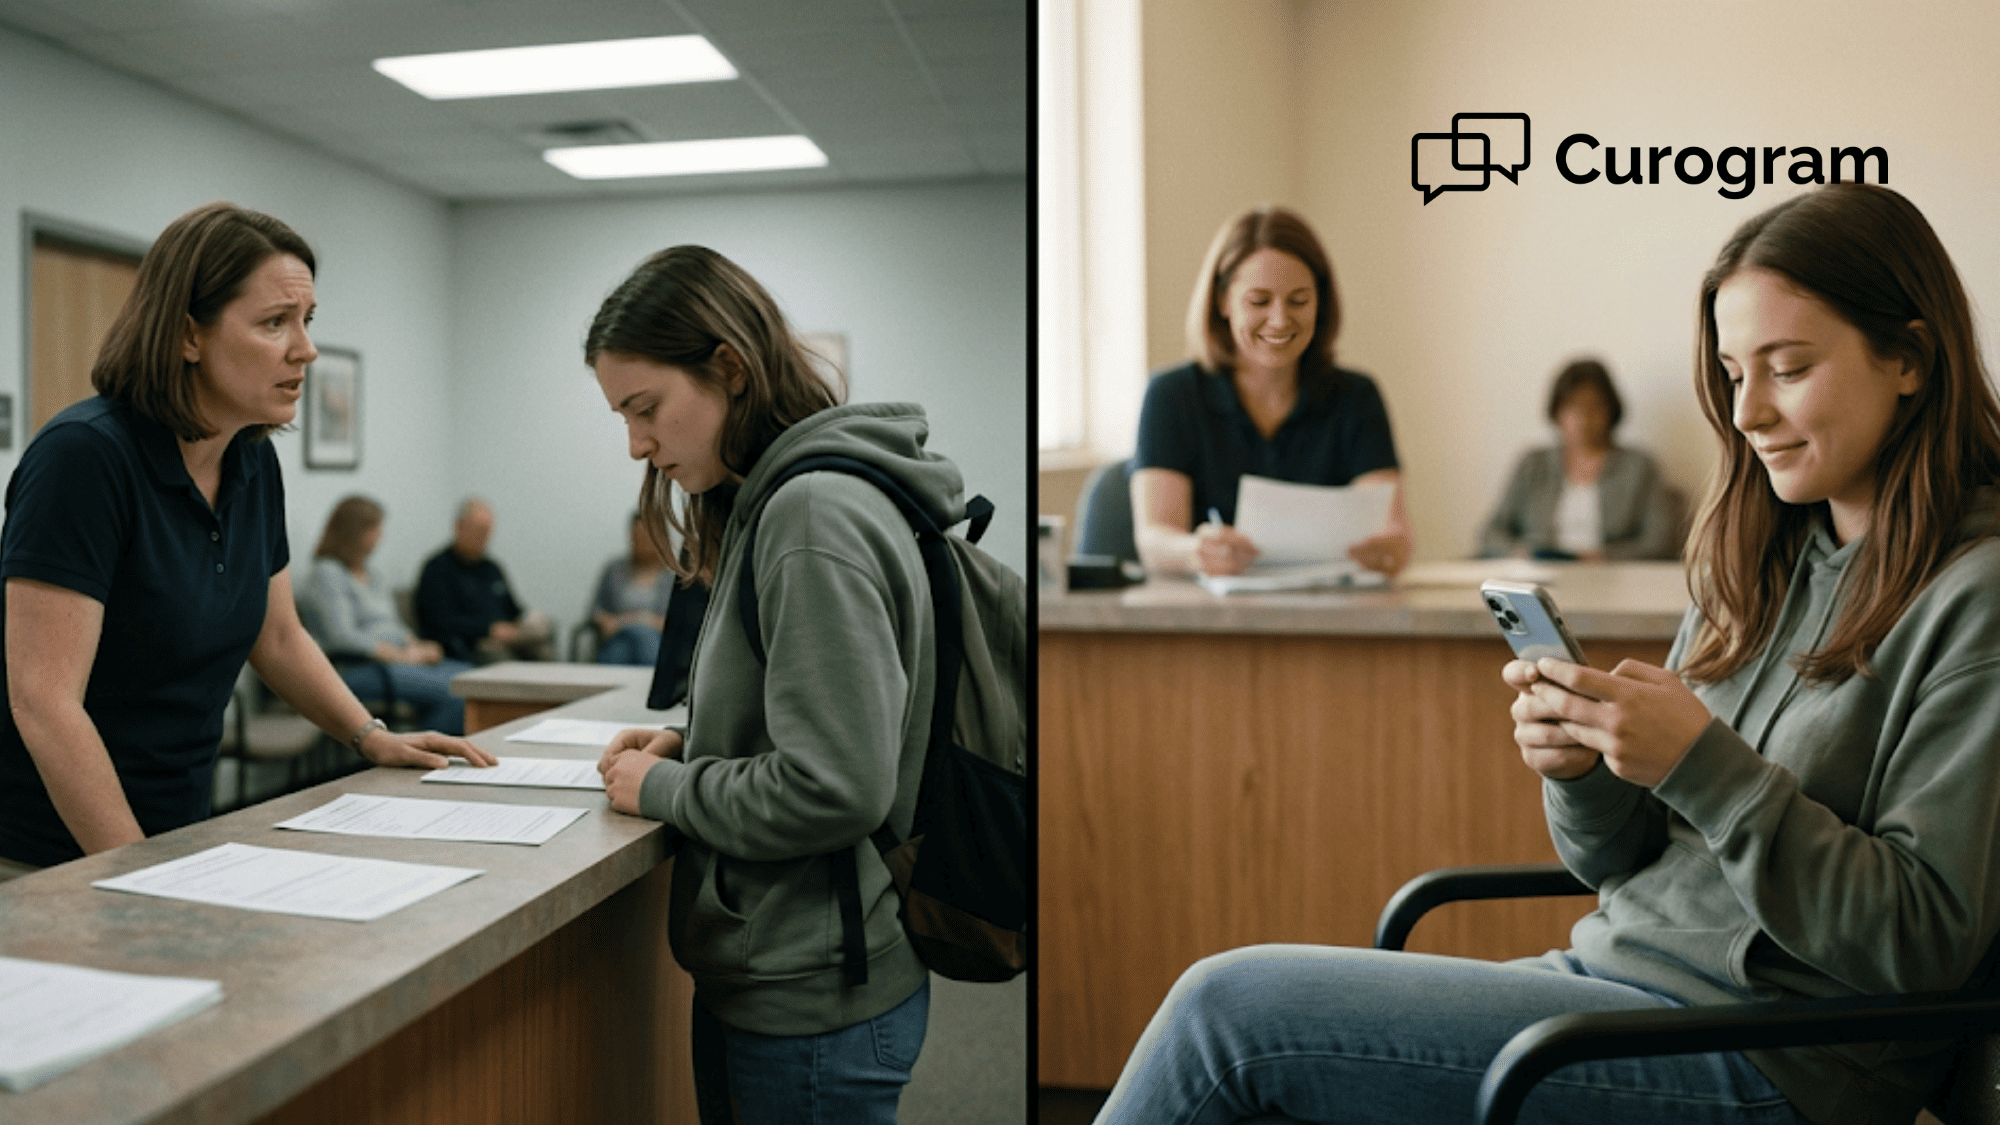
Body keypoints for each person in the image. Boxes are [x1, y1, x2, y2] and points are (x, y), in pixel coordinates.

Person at [1093, 183, 2000, 1125]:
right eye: (1734, 373)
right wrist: (1586, 770)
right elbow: (1615, 863)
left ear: (1909, 357)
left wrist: (1702, 766)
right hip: (1616, 991)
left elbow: (1924, 942)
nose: (1747, 413)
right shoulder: (1755, 563)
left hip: (1767, 1055)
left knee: (1227, 1013)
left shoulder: (1974, 599)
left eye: (1789, 367)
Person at [0, 202, 493, 879]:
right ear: (188, 336)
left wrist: (372, 736)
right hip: (46, 855)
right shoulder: (84, 458)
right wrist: (133, 869)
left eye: (306, 321)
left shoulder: (252, 462)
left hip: (173, 833)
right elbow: (44, 701)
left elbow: (279, 636)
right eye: (273, 323)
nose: (305, 348)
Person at [587, 246, 950, 1121]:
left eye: (646, 409)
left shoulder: (809, 514)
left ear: (729, 369)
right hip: (799, 968)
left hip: (814, 994)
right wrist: (697, 740)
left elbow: (835, 784)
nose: (637, 443)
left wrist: (667, 785)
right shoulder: (775, 498)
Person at [1131, 205, 1412, 578]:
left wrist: (1388, 548)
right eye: (1259, 301)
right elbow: (1154, 538)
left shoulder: (1356, 397)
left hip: (1328, 612)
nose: (1280, 320)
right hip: (1206, 617)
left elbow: (1393, 530)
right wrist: (1194, 550)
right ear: (1223, 301)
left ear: (1320, 303)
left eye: (1299, 300)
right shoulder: (1172, 395)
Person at [297, 495, 473, 734]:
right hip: (358, 670)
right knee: (458, 694)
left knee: (472, 679)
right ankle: (418, 758)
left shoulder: (372, 573)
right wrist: (401, 656)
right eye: (375, 529)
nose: (380, 536)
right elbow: (342, 637)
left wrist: (417, 646)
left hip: (397, 662)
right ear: (355, 532)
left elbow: (393, 625)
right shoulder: (327, 574)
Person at [1478, 358, 1682, 560]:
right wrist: (1519, 553)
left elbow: (1660, 542)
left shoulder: (1639, 467)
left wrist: (1603, 558)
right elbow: (1491, 533)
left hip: (1612, 577)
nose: (1584, 417)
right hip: (1540, 574)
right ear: (1557, 412)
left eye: (1594, 406)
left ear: (1611, 410)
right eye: (1573, 406)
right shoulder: (1533, 464)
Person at [413, 497, 554, 664]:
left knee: (543, 643)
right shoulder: (437, 568)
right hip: (471, 643)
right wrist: (489, 630)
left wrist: (523, 622)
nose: (484, 537)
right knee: (497, 656)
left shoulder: (492, 568)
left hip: (508, 636)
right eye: (479, 530)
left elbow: (513, 609)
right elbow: (438, 622)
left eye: (488, 531)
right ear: (459, 527)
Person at [586, 511, 675, 666]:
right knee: (624, 648)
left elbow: (678, 622)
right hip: (618, 638)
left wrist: (630, 621)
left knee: (641, 641)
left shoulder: (675, 576)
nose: (643, 542)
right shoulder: (614, 569)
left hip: (657, 641)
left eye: (648, 537)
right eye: (638, 537)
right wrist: (615, 623)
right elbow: (595, 611)